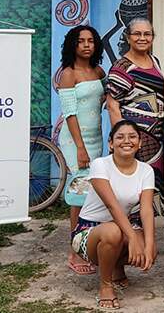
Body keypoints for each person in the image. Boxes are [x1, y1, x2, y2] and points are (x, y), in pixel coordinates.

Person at [70, 121, 157, 310]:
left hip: (121, 227)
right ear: (111, 144)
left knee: (144, 246)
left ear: (140, 143)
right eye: (120, 137)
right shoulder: (100, 165)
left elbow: (147, 209)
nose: (127, 141)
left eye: (132, 136)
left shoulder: (146, 170)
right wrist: (132, 237)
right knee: (113, 232)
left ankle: (117, 267)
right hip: (88, 230)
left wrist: (150, 244)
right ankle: (105, 285)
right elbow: (112, 205)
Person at [106, 17, 164, 232]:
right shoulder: (122, 66)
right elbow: (112, 106)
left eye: (147, 34)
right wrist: (124, 140)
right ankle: (129, 237)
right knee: (131, 188)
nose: (142, 38)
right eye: (137, 34)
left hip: (155, 139)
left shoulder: (155, 61)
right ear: (128, 37)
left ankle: (144, 234)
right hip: (134, 138)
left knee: (149, 187)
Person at [56, 25, 106, 276]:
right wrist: (80, 147)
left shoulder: (98, 71)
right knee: (79, 196)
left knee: (93, 194)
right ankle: (74, 252)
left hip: (96, 138)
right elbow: (70, 113)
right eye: (81, 41)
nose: (86, 45)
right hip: (76, 140)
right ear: (73, 45)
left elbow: (107, 99)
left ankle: (89, 244)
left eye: (90, 41)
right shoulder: (68, 74)